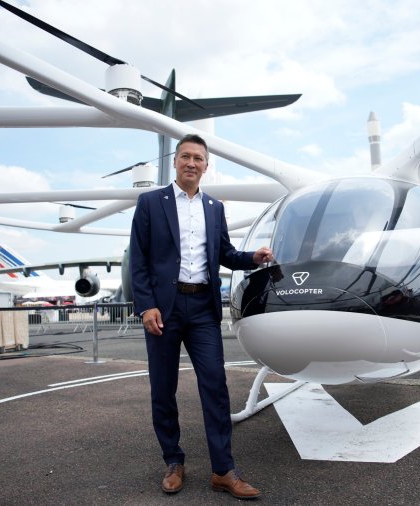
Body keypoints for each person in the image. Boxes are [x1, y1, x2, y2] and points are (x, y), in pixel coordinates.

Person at [130, 133, 272, 499]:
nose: (191, 163)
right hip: (164, 308)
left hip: (203, 309)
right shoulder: (149, 203)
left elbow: (223, 252)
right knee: (163, 388)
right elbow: (139, 259)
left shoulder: (214, 207)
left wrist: (250, 258)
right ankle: (173, 461)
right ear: (175, 161)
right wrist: (146, 305)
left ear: (206, 167)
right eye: (185, 157)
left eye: (198, 159)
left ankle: (223, 470)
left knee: (215, 386)